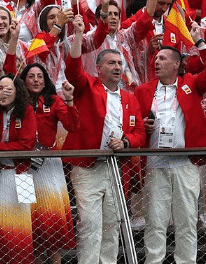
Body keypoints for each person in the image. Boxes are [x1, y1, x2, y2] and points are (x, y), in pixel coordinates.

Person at [63, 14, 145, 264]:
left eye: (120, 63)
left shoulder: (130, 98)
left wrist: (126, 142)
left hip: (116, 169)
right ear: (98, 69)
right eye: (111, 63)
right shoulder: (88, 86)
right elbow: (72, 69)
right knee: (89, 221)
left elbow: (140, 132)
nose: (118, 67)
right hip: (88, 166)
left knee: (113, 221)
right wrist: (78, 36)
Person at [134, 38, 206, 264]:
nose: (157, 62)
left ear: (176, 64)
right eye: (156, 59)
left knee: (186, 221)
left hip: (185, 163)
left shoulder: (191, 84)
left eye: (163, 59)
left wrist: (201, 44)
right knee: (155, 221)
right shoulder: (143, 90)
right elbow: (133, 123)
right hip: (156, 163)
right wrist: (142, 125)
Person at [20, 64, 78, 263]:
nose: (36, 80)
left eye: (40, 76)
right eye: (31, 76)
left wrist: (69, 100)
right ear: (23, 80)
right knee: (27, 218)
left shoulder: (54, 101)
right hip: (23, 168)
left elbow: (72, 125)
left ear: (45, 80)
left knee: (52, 221)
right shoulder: (17, 103)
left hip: (50, 166)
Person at [0, 74, 37, 264]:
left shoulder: (27, 110)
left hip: (22, 174)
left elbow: (27, 145)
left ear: (18, 91)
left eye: (9, 88)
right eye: (0, 88)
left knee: (23, 227)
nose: (5, 91)